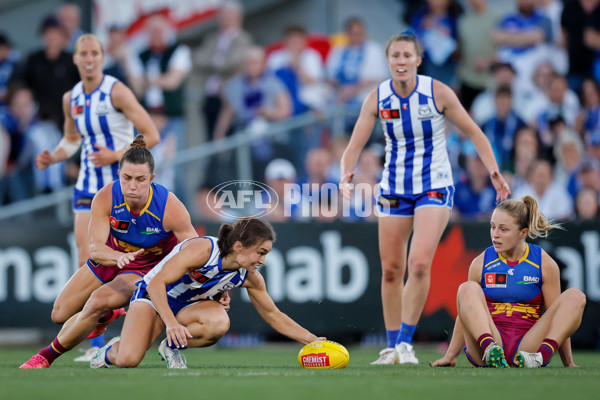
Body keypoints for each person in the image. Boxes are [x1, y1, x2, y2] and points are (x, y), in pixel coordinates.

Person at [339, 31, 510, 365]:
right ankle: (390, 347)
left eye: (407, 56)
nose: (401, 62)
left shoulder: (437, 92)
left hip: (434, 184)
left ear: (417, 59)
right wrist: (346, 173)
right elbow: (354, 145)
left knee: (418, 264)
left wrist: (493, 170)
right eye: (395, 56)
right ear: (388, 61)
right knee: (391, 270)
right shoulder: (377, 97)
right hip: (392, 188)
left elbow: (474, 131)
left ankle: (405, 343)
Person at [20, 135, 197, 369]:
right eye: (127, 178)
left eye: (140, 179)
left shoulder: (169, 206)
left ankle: (45, 357)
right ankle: (106, 316)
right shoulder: (105, 197)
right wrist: (117, 257)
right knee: (59, 314)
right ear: (119, 176)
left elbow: (196, 249)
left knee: (96, 301)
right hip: (110, 257)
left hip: (144, 267)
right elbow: (95, 249)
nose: (132, 185)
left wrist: (213, 285)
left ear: (152, 179)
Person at [34, 34, 161, 359]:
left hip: (122, 191)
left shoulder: (116, 90)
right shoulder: (71, 97)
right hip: (86, 189)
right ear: (75, 59)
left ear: (102, 58)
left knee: (121, 256)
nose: (89, 59)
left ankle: (112, 315)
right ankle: (95, 337)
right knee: (86, 259)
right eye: (83, 54)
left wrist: (118, 154)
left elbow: (152, 134)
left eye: (95, 53)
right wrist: (56, 157)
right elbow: (72, 139)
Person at [89, 218, 323, 369]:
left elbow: (274, 315)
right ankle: (109, 351)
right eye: (260, 253)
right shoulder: (203, 250)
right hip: (152, 296)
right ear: (239, 246)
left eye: (266, 254)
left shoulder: (249, 276)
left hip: (186, 307)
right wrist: (171, 324)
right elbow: (156, 283)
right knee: (127, 360)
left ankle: (172, 347)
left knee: (219, 323)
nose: (262, 260)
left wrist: (313, 341)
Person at [431, 196, 585, 368]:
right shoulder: (480, 263)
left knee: (576, 296)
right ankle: (491, 350)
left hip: (528, 347)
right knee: (466, 288)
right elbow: (466, 313)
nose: (495, 234)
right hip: (488, 343)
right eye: (492, 227)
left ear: (523, 233)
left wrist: (568, 363)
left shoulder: (544, 263)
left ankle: (539, 358)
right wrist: (450, 356)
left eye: (503, 229)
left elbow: (558, 318)